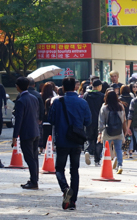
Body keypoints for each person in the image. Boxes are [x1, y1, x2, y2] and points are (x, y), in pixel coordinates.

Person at [49, 77, 91, 211]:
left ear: (63, 87)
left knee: (59, 168)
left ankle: (65, 188)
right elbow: (88, 121)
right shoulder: (82, 102)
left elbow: (51, 119)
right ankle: (72, 201)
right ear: (75, 87)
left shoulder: (57, 102)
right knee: (74, 170)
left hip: (62, 139)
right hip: (77, 140)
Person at [12, 76, 39, 187]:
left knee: (29, 158)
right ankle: (34, 179)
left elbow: (19, 120)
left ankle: (33, 181)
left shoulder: (21, 101)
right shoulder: (34, 98)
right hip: (35, 131)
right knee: (34, 157)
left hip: (26, 133)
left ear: (17, 87)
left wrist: (15, 136)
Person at [98, 90, 128, 174]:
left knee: (106, 148)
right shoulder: (121, 107)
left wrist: (100, 133)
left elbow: (101, 122)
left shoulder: (104, 108)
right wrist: (124, 131)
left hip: (108, 132)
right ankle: (120, 165)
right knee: (118, 149)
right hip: (118, 132)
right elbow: (123, 120)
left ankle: (106, 165)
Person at [84, 79, 104, 166]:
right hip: (99, 121)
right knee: (99, 140)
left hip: (88, 120)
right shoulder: (102, 96)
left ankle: (88, 151)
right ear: (99, 86)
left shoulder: (86, 95)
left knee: (90, 138)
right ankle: (97, 160)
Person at [26, 78, 45, 150]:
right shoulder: (37, 94)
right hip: (36, 117)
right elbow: (41, 107)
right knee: (37, 133)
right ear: (34, 85)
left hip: (26, 118)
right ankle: (37, 148)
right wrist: (41, 118)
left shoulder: (22, 94)